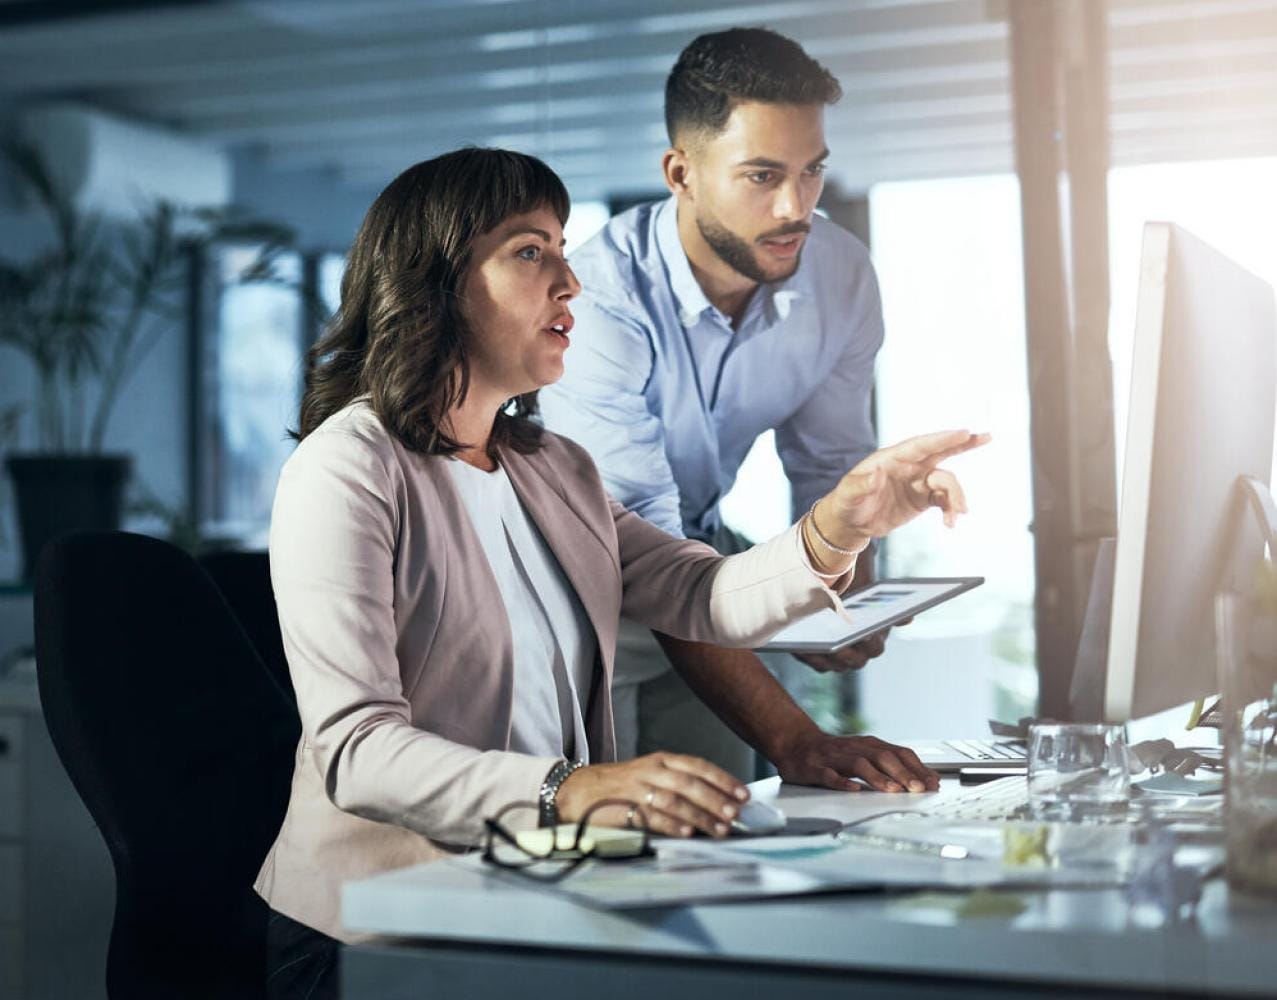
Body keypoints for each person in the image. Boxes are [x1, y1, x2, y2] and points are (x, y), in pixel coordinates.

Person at [256, 147, 985, 999]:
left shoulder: (553, 466)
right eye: (530, 251)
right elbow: (357, 750)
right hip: (372, 928)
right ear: (436, 282)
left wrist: (837, 526)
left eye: (564, 251)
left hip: (530, 900)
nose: (569, 283)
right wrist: (572, 789)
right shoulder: (346, 468)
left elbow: (698, 594)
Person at [539, 27, 906, 778]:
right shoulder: (597, 301)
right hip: (579, 597)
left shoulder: (838, 275)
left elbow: (831, 465)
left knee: (719, 822)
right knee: (606, 834)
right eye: (762, 176)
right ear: (681, 173)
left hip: (704, 575)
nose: (795, 206)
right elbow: (644, 554)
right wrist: (794, 738)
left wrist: (845, 596)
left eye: (811, 171)